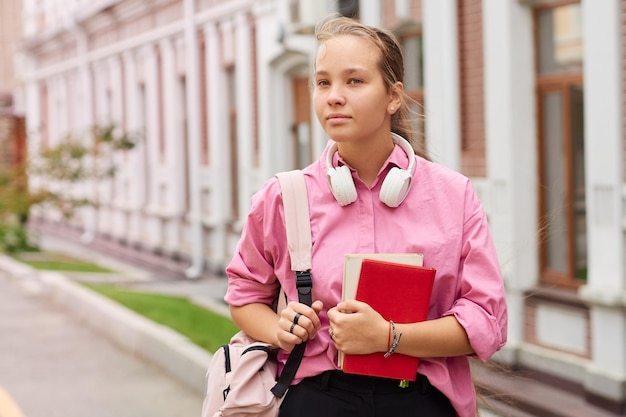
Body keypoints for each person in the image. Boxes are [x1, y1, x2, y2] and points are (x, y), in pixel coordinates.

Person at [224, 15, 507, 417]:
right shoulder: (282, 197)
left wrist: (388, 336)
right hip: (315, 398)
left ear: (393, 97)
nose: (334, 96)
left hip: (421, 401)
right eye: (323, 83)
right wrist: (280, 330)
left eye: (354, 81)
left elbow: (486, 321)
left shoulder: (453, 195)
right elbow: (244, 297)